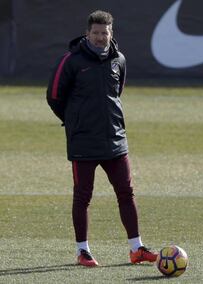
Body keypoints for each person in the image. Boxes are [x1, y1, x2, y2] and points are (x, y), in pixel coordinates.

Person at [46, 10, 157, 267]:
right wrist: (74, 121)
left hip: (115, 140)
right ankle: (82, 251)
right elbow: (54, 96)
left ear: (111, 33)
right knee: (82, 196)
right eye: (95, 33)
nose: (99, 37)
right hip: (83, 140)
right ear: (87, 34)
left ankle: (136, 248)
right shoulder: (71, 61)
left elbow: (117, 93)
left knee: (126, 193)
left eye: (104, 32)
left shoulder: (119, 59)